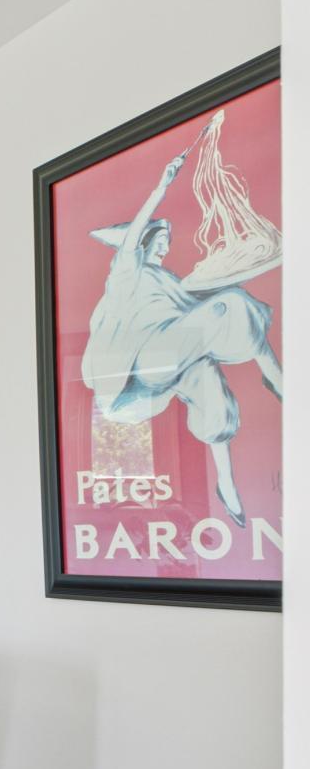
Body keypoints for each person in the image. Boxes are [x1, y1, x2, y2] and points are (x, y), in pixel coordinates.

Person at [79, 127, 281, 526]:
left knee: (210, 381)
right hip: (147, 364)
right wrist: (161, 187)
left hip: (170, 362)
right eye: (158, 239)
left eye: (165, 241)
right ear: (142, 243)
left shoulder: (171, 282)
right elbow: (130, 242)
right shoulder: (127, 276)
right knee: (230, 306)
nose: (164, 246)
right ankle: (275, 377)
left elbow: (203, 305)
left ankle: (226, 484)